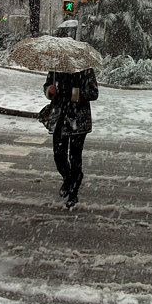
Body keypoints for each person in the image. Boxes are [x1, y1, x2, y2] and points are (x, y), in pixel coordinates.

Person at [43, 69, 99, 209]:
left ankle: (73, 192)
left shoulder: (85, 70)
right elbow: (47, 86)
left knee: (75, 158)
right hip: (60, 119)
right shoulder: (57, 68)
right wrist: (49, 90)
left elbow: (94, 93)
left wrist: (74, 93)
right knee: (59, 156)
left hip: (78, 120)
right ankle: (68, 179)